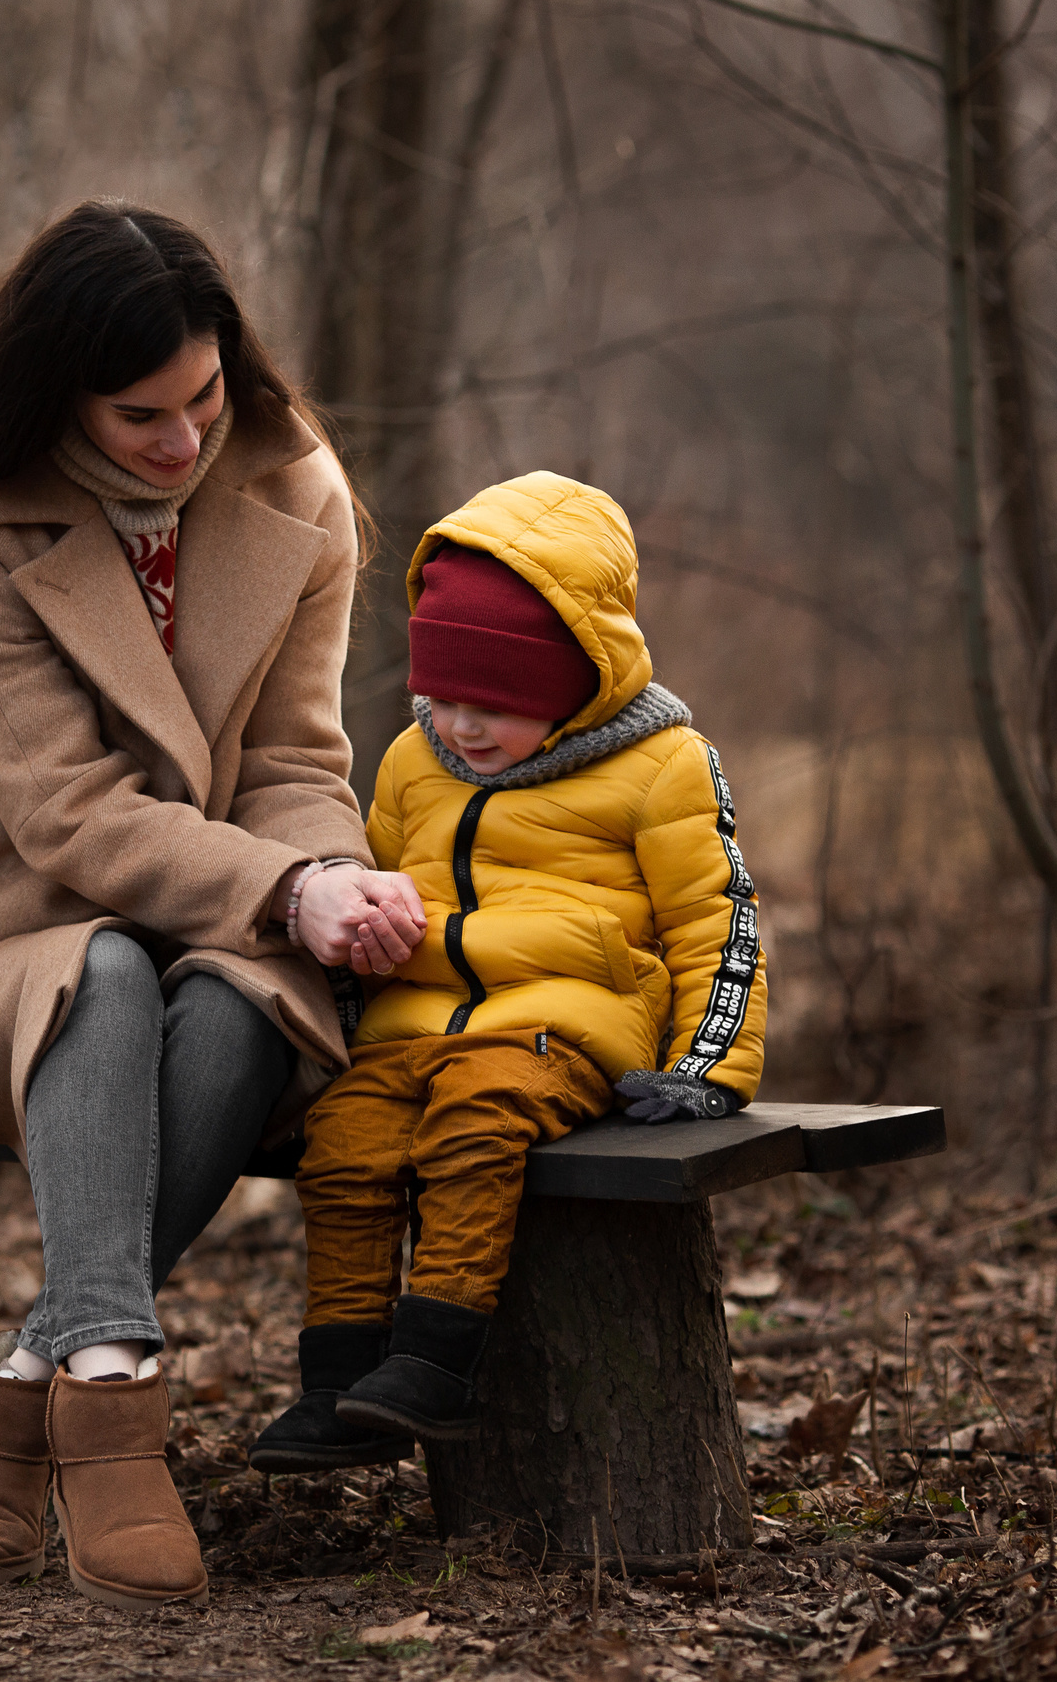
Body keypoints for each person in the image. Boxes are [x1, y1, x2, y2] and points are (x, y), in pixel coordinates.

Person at [0, 200, 425, 1611]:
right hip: (3, 938)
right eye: (139, 415)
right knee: (99, 970)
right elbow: (68, 818)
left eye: (205, 396)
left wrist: (324, 879)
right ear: (57, 396)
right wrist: (285, 884)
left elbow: (297, 756)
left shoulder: (295, 489)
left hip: (231, 927)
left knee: (238, 1012)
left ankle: (39, 1371)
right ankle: (114, 1393)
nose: (184, 441)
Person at [247, 471, 770, 1472]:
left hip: (559, 1032)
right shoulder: (411, 762)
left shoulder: (660, 765)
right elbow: (369, 889)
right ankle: (338, 1380)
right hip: (409, 1031)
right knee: (344, 1147)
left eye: (493, 706)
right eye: (440, 699)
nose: (462, 728)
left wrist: (709, 1069)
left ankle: (435, 1360)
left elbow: (719, 920)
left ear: (577, 679)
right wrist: (346, 970)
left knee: (476, 1123)